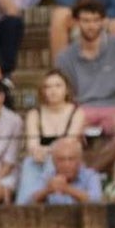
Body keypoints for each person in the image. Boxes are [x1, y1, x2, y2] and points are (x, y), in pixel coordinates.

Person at [55, 0, 115, 174]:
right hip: (82, 109)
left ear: (104, 21)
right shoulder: (65, 56)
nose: (91, 26)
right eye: (86, 20)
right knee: (67, 143)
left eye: (96, 20)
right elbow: (64, 92)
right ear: (75, 22)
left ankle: (91, 173)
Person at [16, 69, 86, 204]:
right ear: (43, 91)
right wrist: (41, 152)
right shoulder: (34, 114)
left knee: (52, 162)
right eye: (48, 87)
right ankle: (24, 206)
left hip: (67, 159)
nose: (53, 90)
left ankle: (55, 203)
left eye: (58, 86)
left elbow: (69, 144)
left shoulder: (77, 112)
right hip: (39, 160)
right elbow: (33, 146)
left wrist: (48, 152)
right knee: (29, 163)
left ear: (66, 89)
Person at [17, 136, 101, 204]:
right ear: (54, 162)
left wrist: (67, 189)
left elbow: (97, 202)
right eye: (61, 160)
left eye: (71, 159)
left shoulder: (91, 176)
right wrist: (47, 191)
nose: (66, 165)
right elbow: (27, 204)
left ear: (79, 161)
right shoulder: (47, 177)